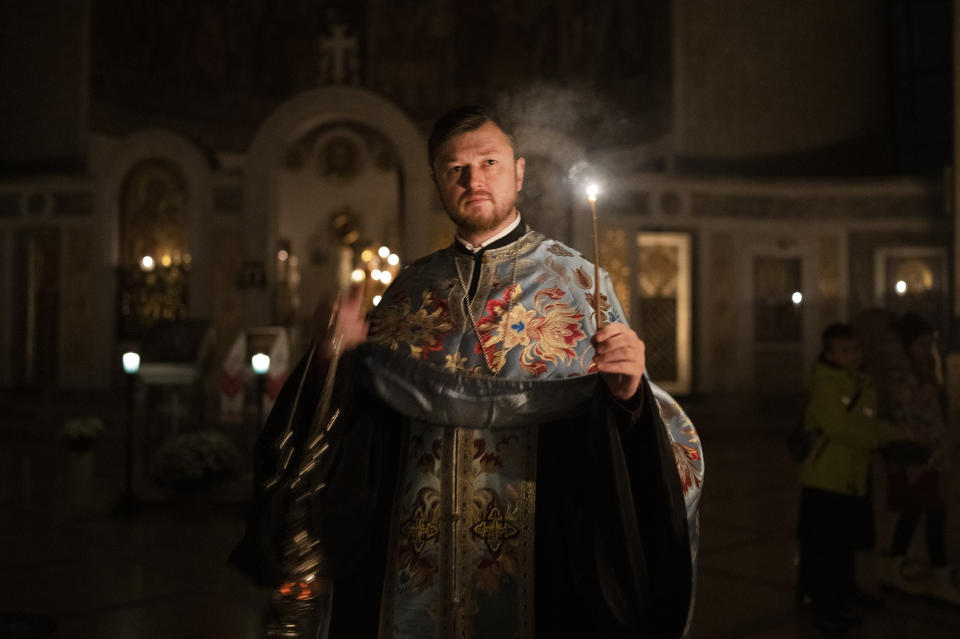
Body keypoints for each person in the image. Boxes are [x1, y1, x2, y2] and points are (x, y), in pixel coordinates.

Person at [231, 106, 703, 639]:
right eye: (455, 169)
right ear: (437, 181)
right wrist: (334, 358)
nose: (473, 179)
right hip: (413, 551)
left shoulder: (579, 281)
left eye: (489, 162)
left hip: (538, 548)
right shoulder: (410, 287)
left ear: (518, 172)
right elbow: (361, 423)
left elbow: (638, 427)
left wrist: (630, 394)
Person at [795, 322, 901, 636]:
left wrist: (899, 436)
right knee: (824, 545)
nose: (852, 356)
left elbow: (871, 422)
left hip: (853, 477)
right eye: (844, 351)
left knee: (845, 542)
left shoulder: (862, 382)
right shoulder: (826, 384)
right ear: (829, 354)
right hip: (825, 477)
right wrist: (877, 441)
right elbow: (839, 428)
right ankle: (824, 603)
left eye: (855, 350)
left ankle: (845, 592)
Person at [880, 312, 960, 605]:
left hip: (931, 454)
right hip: (916, 456)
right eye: (921, 343)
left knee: (913, 513)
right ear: (906, 345)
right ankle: (940, 574)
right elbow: (903, 406)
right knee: (935, 513)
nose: (927, 349)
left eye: (930, 343)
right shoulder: (899, 371)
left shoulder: (925, 366)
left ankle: (893, 567)